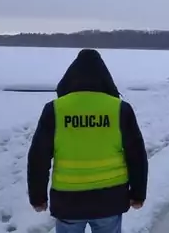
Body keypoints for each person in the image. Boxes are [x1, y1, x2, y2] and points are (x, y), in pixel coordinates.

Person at [27, 49, 148, 233]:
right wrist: (138, 193)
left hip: (68, 201)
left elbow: (39, 156)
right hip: (110, 200)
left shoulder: (55, 110)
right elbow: (136, 155)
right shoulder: (119, 109)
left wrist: (38, 196)